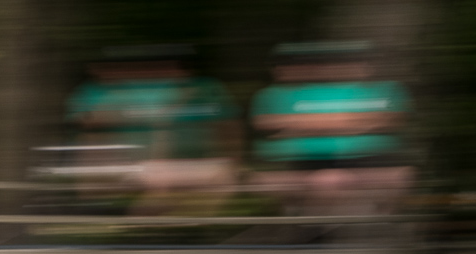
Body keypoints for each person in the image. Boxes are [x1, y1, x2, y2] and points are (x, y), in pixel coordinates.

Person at [65, 45, 240, 213]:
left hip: (174, 165)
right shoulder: (103, 91)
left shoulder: (203, 87)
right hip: (135, 166)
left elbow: (228, 127)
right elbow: (87, 125)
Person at [249, 42, 412, 217]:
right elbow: (265, 122)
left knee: (391, 178)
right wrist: (357, 123)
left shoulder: (389, 89)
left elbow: (391, 119)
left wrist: (296, 127)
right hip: (305, 165)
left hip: (371, 162)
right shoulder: (274, 95)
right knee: (327, 182)